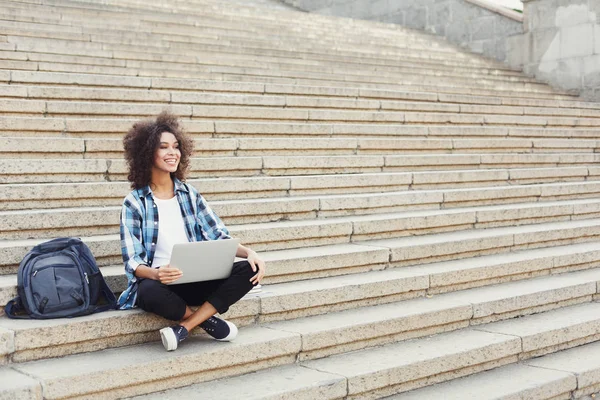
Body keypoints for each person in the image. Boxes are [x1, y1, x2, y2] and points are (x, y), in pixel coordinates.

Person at [117, 111, 266, 351]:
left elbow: (218, 237)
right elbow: (133, 262)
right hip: (162, 284)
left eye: (176, 147)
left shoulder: (190, 194)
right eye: (163, 147)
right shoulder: (134, 202)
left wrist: (250, 253)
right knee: (147, 291)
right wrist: (156, 274)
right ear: (147, 154)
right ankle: (208, 321)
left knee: (250, 269)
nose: (172, 153)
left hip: (196, 279)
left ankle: (185, 328)